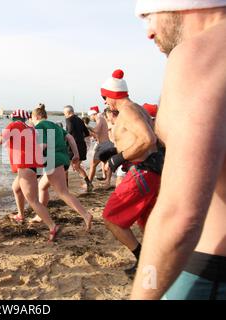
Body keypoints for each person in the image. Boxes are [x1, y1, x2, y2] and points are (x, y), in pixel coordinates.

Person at [131, 0, 226, 300]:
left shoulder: (201, 53)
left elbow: (180, 216)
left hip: (209, 273)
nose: (147, 31)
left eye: (147, 15)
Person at [98, 70, 163, 277]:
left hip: (143, 172)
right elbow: (154, 138)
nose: (105, 102)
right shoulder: (138, 109)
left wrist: (119, 158)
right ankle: (158, 263)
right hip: (152, 171)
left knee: (111, 218)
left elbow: (147, 139)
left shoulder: (127, 111)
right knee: (147, 222)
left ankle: (142, 258)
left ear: (111, 95)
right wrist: (115, 151)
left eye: (105, 97)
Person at [0, 109, 61, 241]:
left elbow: (0, 141)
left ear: (14, 117)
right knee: (16, 188)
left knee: (33, 201)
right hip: (32, 165)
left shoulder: (14, 125)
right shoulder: (30, 128)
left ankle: (52, 226)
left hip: (25, 166)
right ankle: (20, 215)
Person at [30, 104, 93, 232]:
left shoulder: (39, 127)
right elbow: (70, 138)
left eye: (32, 119)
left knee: (63, 193)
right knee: (42, 187)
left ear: (36, 117)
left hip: (54, 161)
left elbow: (43, 146)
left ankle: (86, 215)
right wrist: (76, 154)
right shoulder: (54, 125)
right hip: (63, 159)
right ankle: (40, 215)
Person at [63, 105, 93, 192]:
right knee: (76, 166)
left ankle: (65, 189)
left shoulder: (68, 119)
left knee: (65, 167)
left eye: (64, 113)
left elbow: (69, 133)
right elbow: (87, 133)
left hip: (72, 147)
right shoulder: (80, 120)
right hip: (82, 146)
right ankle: (88, 183)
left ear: (68, 113)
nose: (64, 115)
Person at [87, 106, 113, 187]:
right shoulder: (101, 118)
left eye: (90, 116)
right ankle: (107, 182)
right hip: (107, 144)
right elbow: (98, 133)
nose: (90, 118)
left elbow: (96, 130)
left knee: (93, 165)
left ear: (93, 114)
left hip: (103, 145)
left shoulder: (99, 118)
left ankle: (89, 183)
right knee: (106, 164)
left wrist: (86, 126)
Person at [105, 108, 125, 187]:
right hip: (122, 154)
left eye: (107, 116)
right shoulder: (119, 124)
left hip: (125, 155)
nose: (107, 118)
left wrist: (114, 159)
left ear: (111, 114)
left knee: (119, 180)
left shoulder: (118, 126)